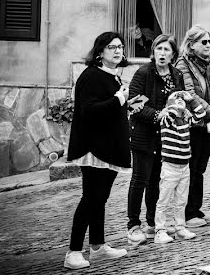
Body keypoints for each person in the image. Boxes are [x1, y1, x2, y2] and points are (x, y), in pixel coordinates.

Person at [65, 32, 136, 270]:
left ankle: (97, 246)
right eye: (111, 47)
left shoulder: (111, 76)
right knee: (90, 199)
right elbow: (88, 111)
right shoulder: (91, 76)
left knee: (100, 199)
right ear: (100, 52)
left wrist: (126, 102)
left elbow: (110, 109)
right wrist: (118, 100)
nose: (118, 51)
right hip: (94, 149)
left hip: (109, 147)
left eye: (120, 47)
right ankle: (73, 252)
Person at [126, 34, 182, 245]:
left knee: (156, 181)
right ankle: (133, 225)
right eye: (159, 49)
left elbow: (179, 99)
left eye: (167, 50)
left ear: (173, 54)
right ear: (153, 52)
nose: (162, 53)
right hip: (143, 134)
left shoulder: (176, 75)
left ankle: (152, 223)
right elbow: (134, 104)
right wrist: (158, 115)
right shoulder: (143, 73)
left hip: (165, 137)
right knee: (140, 179)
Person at [176, 25, 210, 227]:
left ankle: (195, 208)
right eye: (203, 42)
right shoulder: (183, 64)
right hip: (194, 123)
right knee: (192, 167)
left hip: (209, 124)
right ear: (191, 45)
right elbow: (191, 94)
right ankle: (188, 213)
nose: (208, 45)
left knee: (200, 168)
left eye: (209, 41)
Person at [153, 91, 206, 243]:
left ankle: (180, 227)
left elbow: (200, 115)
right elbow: (171, 112)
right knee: (163, 200)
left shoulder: (185, 119)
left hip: (184, 166)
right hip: (170, 166)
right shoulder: (166, 120)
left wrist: (192, 100)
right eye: (177, 102)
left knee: (181, 200)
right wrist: (175, 99)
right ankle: (160, 230)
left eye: (181, 101)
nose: (180, 102)